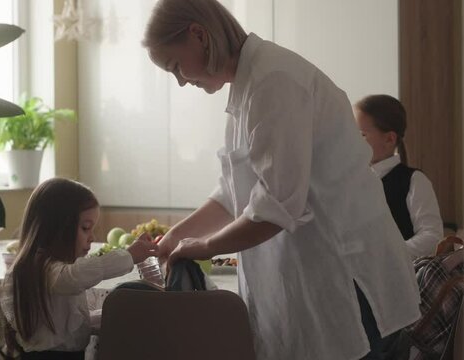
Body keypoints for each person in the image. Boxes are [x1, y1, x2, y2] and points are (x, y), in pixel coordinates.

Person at [142, 0, 421, 359]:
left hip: (348, 277)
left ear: (199, 35)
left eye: (176, 65)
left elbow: (275, 205)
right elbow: (233, 192)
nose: (181, 81)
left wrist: (203, 246)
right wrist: (178, 236)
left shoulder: (274, 79)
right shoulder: (246, 87)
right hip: (316, 280)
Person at [0, 178, 158, 360]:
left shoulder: (50, 271)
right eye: (85, 228)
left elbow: (68, 326)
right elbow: (76, 277)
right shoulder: (45, 269)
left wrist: (110, 316)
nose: (92, 237)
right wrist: (129, 255)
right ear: (56, 228)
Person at [354, 94, 443, 259]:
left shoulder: (414, 181)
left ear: (389, 139)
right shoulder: (351, 182)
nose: (353, 141)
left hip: (396, 279)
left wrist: (385, 256)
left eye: (362, 135)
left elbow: (432, 237)